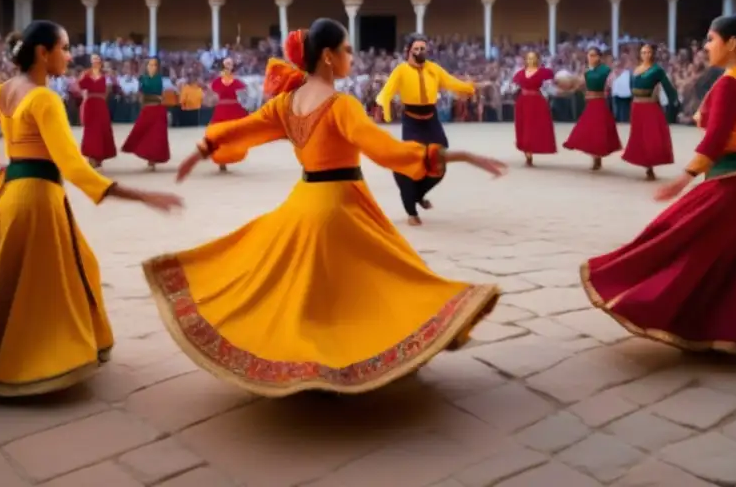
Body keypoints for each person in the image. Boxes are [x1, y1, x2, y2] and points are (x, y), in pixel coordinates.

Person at [145, 20, 504, 397]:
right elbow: (389, 153)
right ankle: (362, 356)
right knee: (388, 280)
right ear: (329, 57)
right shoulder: (342, 105)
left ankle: (308, 364)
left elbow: (242, 128)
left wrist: (202, 149)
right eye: (347, 50)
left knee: (304, 297)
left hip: (303, 205)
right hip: (342, 206)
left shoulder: (286, 104)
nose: (352, 56)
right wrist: (457, 154)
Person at [0, 22, 183, 397]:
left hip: (10, 192)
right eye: (64, 48)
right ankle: (33, 361)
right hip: (37, 198)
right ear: (43, 53)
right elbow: (75, 167)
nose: (69, 55)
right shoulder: (44, 98)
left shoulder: (6, 90)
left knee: (11, 278)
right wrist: (141, 196)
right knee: (42, 283)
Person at [581, 15, 736, 353]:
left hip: (732, 182)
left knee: (671, 238)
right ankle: (727, 331)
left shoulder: (731, 82)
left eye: (710, 39)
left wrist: (685, 177)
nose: (706, 46)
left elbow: (718, 137)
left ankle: (654, 305)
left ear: (731, 43)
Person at [376, 34, 478, 225]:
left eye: (423, 48)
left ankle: (419, 193)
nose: (420, 52)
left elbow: (451, 82)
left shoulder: (434, 69)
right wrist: (386, 111)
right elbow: (387, 92)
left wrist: (469, 88)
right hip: (412, 121)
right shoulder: (400, 71)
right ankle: (411, 211)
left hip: (431, 119)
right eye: (416, 48)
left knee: (439, 161)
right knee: (412, 162)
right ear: (409, 51)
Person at [621, 44, 678, 180]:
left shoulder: (657, 70)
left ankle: (650, 166)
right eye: (643, 52)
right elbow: (632, 87)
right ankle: (645, 164)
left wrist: (674, 100)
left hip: (649, 106)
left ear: (652, 54)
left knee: (651, 136)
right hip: (636, 106)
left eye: (648, 52)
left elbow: (667, 86)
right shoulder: (636, 69)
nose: (646, 54)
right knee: (639, 136)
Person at [563, 46, 623, 170]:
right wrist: (569, 87)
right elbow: (580, 84)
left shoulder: (605, 69)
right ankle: (594, 156)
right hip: (590, 103)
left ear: (599, 57)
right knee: (587, 128)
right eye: (589, 55)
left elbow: (605, 80)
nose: (590, 58)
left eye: (593, 55)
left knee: (598, 129)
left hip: (599, 103)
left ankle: (597, 157)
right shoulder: (586, 70)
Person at [122, 57, 170, 170]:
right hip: (147, 109)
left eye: (154, 65)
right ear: (147, 66)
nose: (152, 67)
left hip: (158, 109)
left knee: (156, 136)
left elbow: (163, 95)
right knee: (144, 133)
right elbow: (141, 95)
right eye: (150, 64)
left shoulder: (161, 79)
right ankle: (148, 157)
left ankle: (152, 160)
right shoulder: (142, 78)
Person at [512, 51, 556, 166]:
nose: (530, 60)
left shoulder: (543, 72)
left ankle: (532, 149)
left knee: (534, 128)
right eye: (528, 58)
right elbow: (513, 86)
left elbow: (550, 86)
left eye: (533, 58)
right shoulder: (520, 73)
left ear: (537, 59)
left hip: (537, 102)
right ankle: (527, 153)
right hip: (523, 102)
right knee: (524, 127)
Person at [208, 57, 248, 173]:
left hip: (234, 110)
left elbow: (245, 95)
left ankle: (229, 156)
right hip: (221, 110)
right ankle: (221, 160)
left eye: (230, 63)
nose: (228, 66)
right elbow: (211, 95)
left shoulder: (237, 81)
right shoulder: (217, 81)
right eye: (226, 63)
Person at [78, 53, 117, 168]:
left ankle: (100, 156)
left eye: (97, 59)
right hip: (90, 104)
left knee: (102, 129)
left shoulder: (106, 76)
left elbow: (108, 90)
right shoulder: (86, 74)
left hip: (101, 104)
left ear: (100, 61)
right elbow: (81, 86)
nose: (95, 61)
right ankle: (92, 155)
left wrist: (102, 98)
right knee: (91, 130)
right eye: (93, 59)